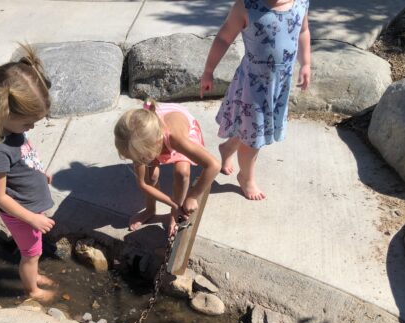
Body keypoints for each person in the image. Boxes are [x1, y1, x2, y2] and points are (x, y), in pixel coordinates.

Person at [200, 0, 311, 200]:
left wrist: (306, 64)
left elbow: (303, 31)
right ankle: (246, 178)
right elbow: (224, 38)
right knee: (254, 138)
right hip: (254, 87)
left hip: (278, 85)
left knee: (251, 129)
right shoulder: (247, 6)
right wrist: (208, 71)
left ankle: (228, 147)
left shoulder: (300, 3)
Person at [0, 44, 57, 302]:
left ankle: (33, 273)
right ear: (2, 110)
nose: (30, 127)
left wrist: (38, 172)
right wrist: (32, 219)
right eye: (27, 123)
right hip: (21, 213)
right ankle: (31, 289)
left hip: (30, 205)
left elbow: (21, 158)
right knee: (30, 253)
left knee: (34, 250)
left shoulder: (10, 130)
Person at [114, 99, 221, 235]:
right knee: (151, 177)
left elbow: (214, 165)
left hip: (182, 128)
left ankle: (174, 216)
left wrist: (192, 197)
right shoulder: (137, 140)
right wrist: (174, 204)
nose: (138, 162)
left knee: (181, 173)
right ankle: (150, 210)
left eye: (141, 158)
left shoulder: (176, 139)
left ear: (157, 145)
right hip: (152, 134)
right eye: (136, 159)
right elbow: (143, 184)